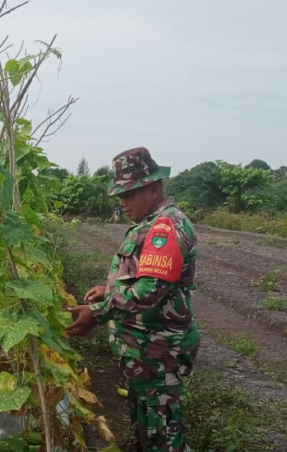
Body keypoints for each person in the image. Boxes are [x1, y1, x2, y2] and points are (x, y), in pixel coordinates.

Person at [65, 147, 200, 452]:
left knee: (161, 437)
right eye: (120, 196)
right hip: (144, 351)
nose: (123, 203)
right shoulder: (149, 224)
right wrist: (108, 290)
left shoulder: (165, 228)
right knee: (147, 431)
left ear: (154, 189)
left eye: (130, 194)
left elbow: (150, 291)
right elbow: (141, 278)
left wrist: (97, 311)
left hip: (158, 352)